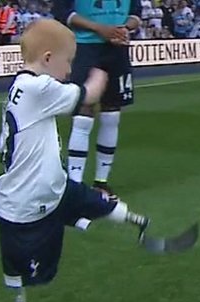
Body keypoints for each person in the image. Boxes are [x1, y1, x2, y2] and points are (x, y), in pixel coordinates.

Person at [0, 19, 150, 302]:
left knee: (89, 199)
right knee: (35, 264)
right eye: (68, 62)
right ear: (48, 59)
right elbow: (87, 95)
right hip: (33, 196)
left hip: (48, 183)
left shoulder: (20, 85)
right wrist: (100, 72)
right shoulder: (39, 88)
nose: (69, 70)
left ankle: (136, 221)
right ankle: (19, 301)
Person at [53, 0, 141, 200]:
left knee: (112, 115)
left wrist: (125, 28)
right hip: (85, 48)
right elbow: (63, 13)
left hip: (118, 49)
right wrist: (100, 29)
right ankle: (75, 186)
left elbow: (136, 13)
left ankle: (102, 182)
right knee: (83, 114)